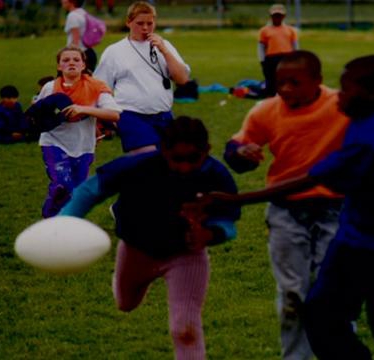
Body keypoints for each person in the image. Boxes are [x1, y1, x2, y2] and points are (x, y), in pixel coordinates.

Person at [192, 55, 374, 360]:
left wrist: (236, 200)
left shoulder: (372, 137)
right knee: (321, 315)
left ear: (370, 94)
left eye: (346, 89)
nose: (338, 95)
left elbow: (312, 178)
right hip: (353, 239)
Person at [60, 116, 241, 360]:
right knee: (126, 304)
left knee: (184, 329)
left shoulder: (215, 175)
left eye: (193, 158)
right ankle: (130, 281)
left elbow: (229, 221)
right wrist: (64, 221)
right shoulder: (138, 166)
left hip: (185, 255)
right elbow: (90, 190)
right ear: (163, 150)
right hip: (136, 249)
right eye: (177, 158)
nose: (185, 166)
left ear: (206, 150)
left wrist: (210, 233)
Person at [223, 50, 349, 360]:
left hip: (338, 210)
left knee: (333, 292)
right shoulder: (265, 111)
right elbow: (235, 149)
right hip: (285, 212)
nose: (286, 89)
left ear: (318, 81)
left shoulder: (343, 106)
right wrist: (241, 154)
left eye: (295, 82)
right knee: (293, 294)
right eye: (280, 83)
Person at [94, 1, 190, 154]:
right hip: (130, 115)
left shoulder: (165, 46)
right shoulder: (114, 51)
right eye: (140, 23)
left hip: (163, 115)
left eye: (149, 23)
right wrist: (103, 119)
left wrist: (164, 50)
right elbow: (99, 88)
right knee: (147, 159)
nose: (145, 28)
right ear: (128, 22)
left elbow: (183, 79)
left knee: (169, 164)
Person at [35, 46, 120, 218]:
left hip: (84, 146)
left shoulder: (97, 87)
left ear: (83, 65)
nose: (71, 63)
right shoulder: (50, 88)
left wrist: (84, 110)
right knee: (62, 185)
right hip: (53, 142)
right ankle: (49, 216)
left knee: (75, 192)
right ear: (59, 66)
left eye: (76, 59)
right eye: (65, 60)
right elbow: (36, 116)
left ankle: (65, 222)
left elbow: (115, 114)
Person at [258, 3, 298, 97]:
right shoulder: (265, 30)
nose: (277, 18)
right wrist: (262, 60)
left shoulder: (290, 30)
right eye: (275, 15)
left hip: (287, 58)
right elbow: (261, 47)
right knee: (271, 80)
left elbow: (295, 45)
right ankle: (271, 97)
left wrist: (296, 58)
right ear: (271, 16)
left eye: (279, 15)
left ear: (283, 16)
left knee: (287, 79)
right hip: (271, 58)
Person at [61, 0, 98, 72]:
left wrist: (70, 58)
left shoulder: (72, 16)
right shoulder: (82, 12)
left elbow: (75, 40)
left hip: (81, 54)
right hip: (89, 52)